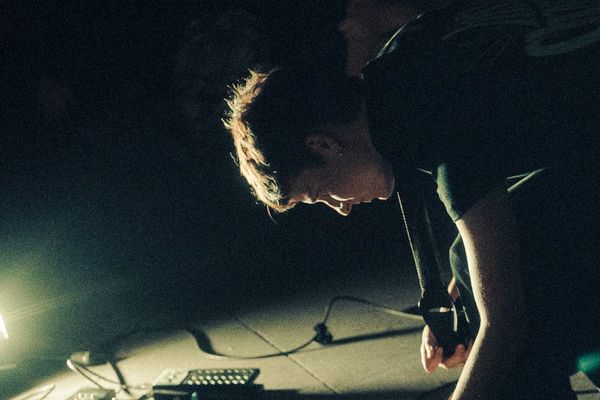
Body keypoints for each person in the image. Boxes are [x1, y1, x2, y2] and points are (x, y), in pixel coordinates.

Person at [223, 0, 600, 398]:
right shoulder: (400, 72)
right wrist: (451, 300)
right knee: (470, 268)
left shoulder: (438, 129)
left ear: (324, 144)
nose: (342, 207)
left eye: (320, 194)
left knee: (521, 322)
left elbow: (504, 324)